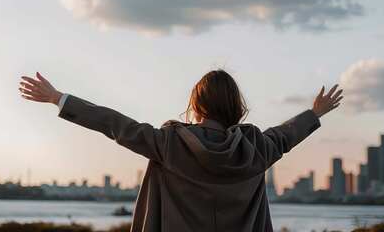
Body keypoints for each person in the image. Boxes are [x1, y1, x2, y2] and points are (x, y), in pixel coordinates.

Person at [19, 70, 342, 232]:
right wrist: (315, 113)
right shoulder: (258, 148)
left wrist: (59, 98)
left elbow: (115, 124)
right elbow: (287, 134)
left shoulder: (169, 143)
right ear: (235, 106)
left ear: (197, 104)